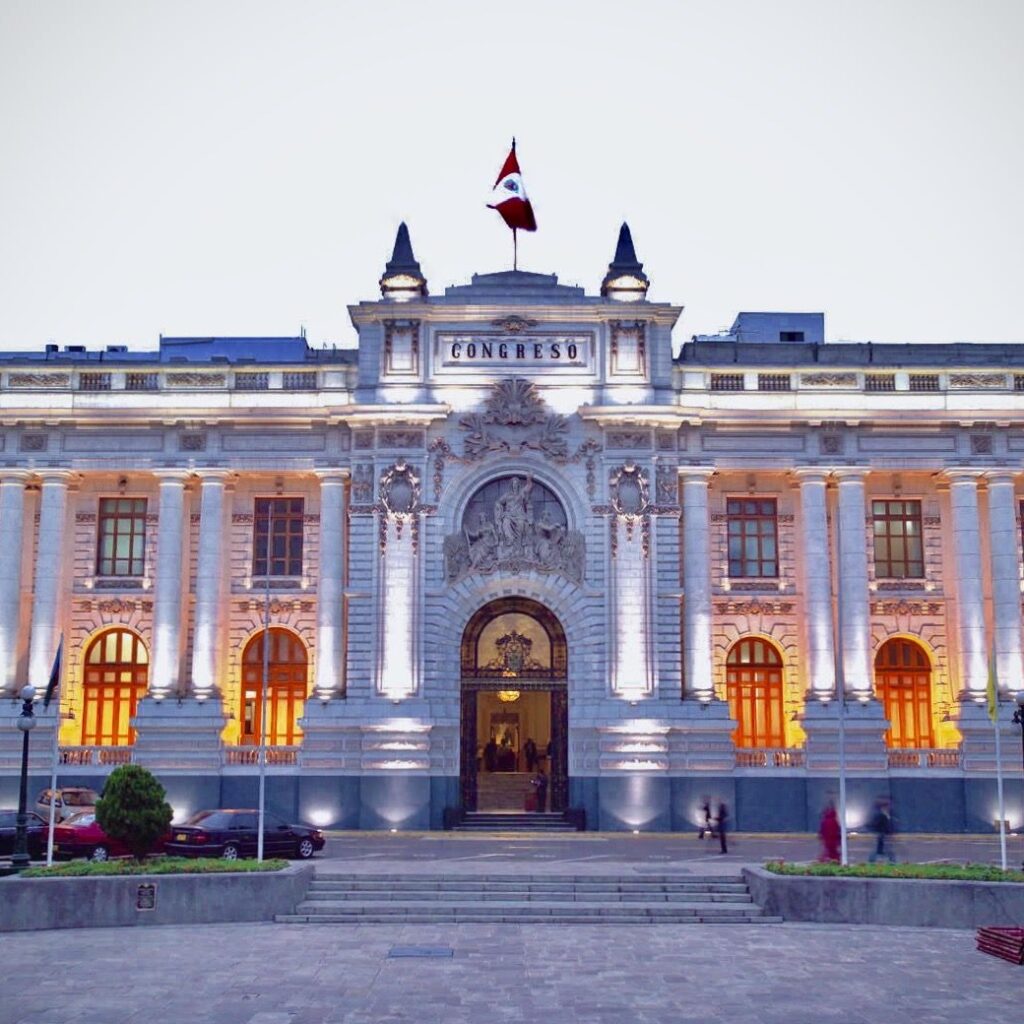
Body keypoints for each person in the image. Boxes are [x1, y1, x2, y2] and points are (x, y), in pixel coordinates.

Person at [868, 797, 896, 863]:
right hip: (882, 835)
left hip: (883, 835)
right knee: (884, 850)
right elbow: (877, 824)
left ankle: (873, 860)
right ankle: (892, 861)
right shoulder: (881, 815)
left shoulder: (885, 814)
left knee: (883, 850)